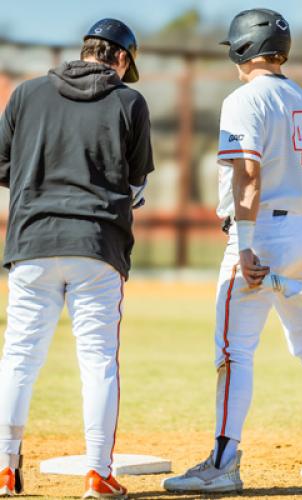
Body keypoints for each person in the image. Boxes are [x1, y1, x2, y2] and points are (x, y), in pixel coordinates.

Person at [162, 8, 302, 494]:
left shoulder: (244, 99)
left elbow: (248, 173)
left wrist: (245, 245)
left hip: (260, 235)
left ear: (244, 49)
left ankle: (224, 461)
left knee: (234, 351)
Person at [0, 18, 154, 499]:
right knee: (97, 361)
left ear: (85, 50)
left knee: (19, 357)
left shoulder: (26, 94)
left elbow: (4, 166)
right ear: (122, 59)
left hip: (32, 243)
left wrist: (39, 188)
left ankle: (4, 468)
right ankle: (97, 473)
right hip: (97, 245)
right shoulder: (129, 101)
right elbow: (134, 185)